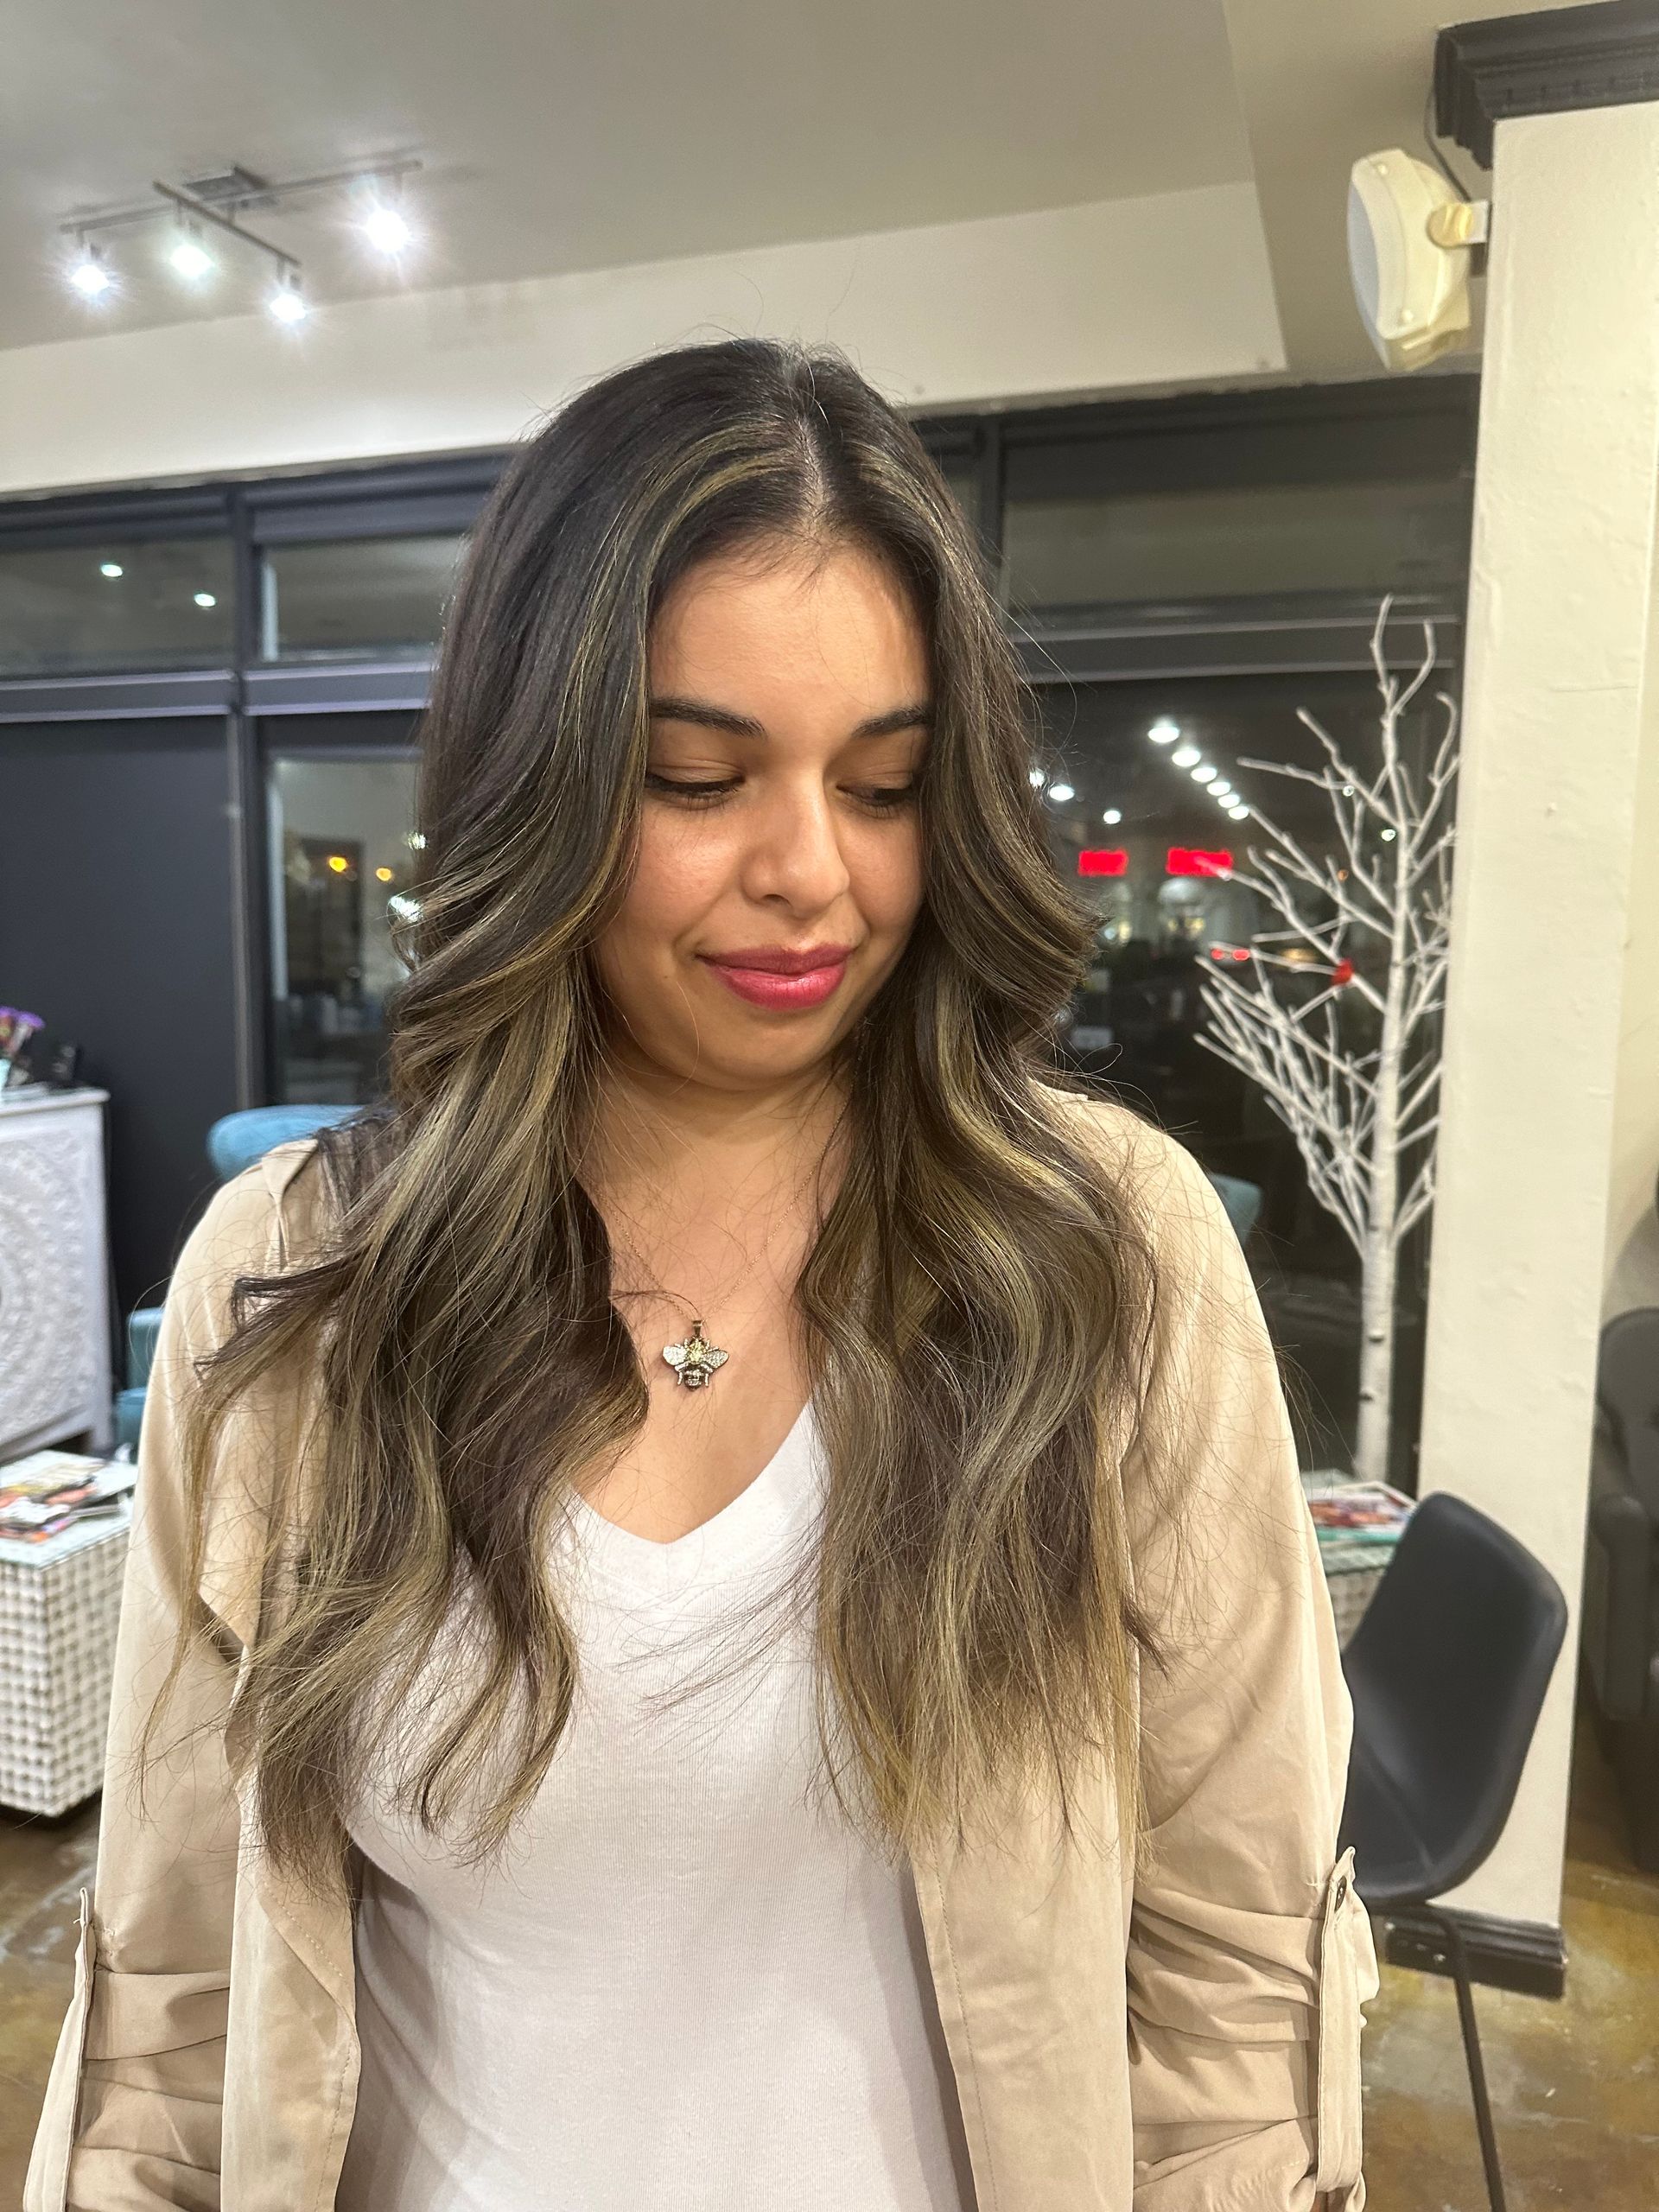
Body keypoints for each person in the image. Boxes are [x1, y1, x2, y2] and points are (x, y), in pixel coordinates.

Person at [26, 337, 1377, 2212]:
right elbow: (171, 1988)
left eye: (886, 783)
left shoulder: (1108, 1256)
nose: (812, 869)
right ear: (542, 786)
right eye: (694, 774)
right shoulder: (301, 1284)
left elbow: (1236, 1969)